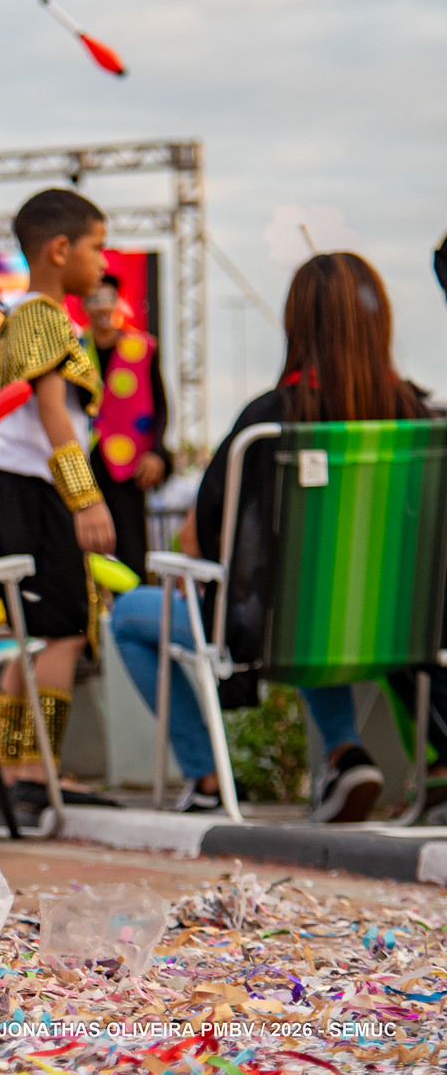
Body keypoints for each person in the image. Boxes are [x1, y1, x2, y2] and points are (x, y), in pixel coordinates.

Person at [111, 252, 435, 819]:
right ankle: (346, 754)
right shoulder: (419, 417)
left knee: (130, 617)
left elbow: (197, 541)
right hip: (395, 628)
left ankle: (208, 780)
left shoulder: (268, 422)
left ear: (296, 323)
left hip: (274, 631)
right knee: (318, 600)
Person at [0, 188, 118, 819]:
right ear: (60, 250)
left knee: (38, 637)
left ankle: (21, 772)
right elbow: (53, 411)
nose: (101, 261)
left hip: (24, 492)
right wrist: (85, 499)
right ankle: (32, 772)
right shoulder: (41, 316)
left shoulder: (40, 316)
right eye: (96, 247)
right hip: (34, 494)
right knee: (57, 633)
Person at [81, 273, 170, 577]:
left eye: (108, 298)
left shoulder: (142, 347)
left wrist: (156, 452)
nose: (102, 307)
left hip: (127, 464)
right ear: (84, 304)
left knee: (132, 546)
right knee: (85, 549)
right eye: (95, 299)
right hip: (84, 464)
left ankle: (136, 610)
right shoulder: (74, 349)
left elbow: (161, 406)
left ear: (117, 302)